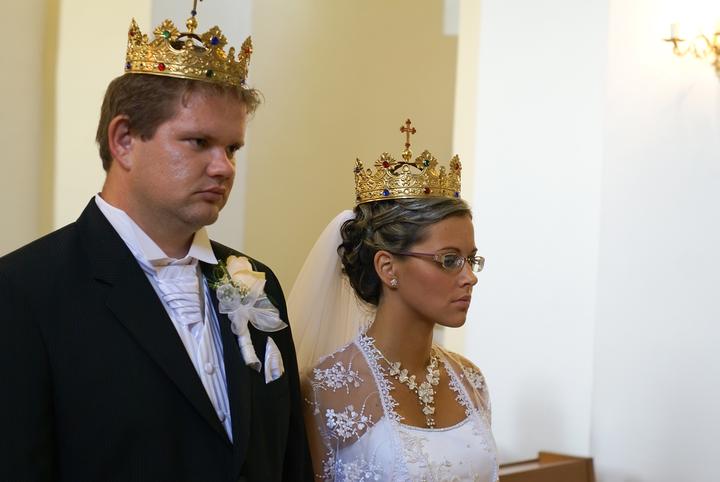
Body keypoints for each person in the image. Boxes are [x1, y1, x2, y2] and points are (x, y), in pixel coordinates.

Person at [0, 8, 312, 481]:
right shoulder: (26, 291)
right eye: (198, 142)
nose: (224, 167)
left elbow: (288, 461)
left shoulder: (256, 283)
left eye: (232, 148)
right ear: (124, 140)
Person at [289, 120, 498, 481]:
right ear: (388, 268)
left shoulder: (470, 380)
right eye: (450, 260)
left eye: (471, 259)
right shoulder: (328, 388)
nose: (470, 277)